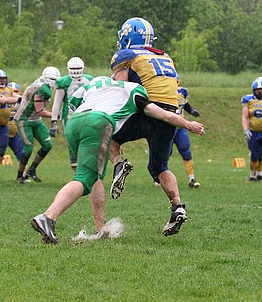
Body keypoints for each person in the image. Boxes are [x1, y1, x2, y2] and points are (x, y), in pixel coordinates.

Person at [31, 76, 205, 244]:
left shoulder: (92, 85)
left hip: (73, 123)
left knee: (93, 176)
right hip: (99, 122)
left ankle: (100, 227)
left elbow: (72, 104)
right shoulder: (133, 90)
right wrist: (189, 125)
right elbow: (166, 116)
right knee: (84, 179)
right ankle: (48, 217)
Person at [109, 17, 189, 236]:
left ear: (128, 37)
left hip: (147, 110)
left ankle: (119, 164)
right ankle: (177, 206)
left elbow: (121, 88)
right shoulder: (166, 57)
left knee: (108, 135)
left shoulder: (127, 55)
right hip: (170, 115)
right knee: (159, 167)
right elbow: (174, 84)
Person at [14, 66, 60, 184]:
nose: (54, 82)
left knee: (47, 145)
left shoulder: (42, 84)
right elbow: (40, 111)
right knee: (28, 149)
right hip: (25, 119)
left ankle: (32, 169)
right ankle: (20, 176)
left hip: (36, 119)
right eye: (52, 79)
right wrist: (55, 116)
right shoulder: (42, 88)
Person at [49, 56, 94, 173]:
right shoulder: (64, 82)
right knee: (72, 144)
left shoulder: (89, 80)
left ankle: (87, 170)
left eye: (78, 69)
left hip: (86, 115)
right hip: (70, 117)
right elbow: (57, 103)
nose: (76, 72)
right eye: (73, 69)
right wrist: (54, 121)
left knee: (87, 142)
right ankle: (77, 174)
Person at [171, 81, 202, 188]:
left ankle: (191, 179)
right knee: (165, 153)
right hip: (167, 128)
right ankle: (158, 177)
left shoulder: (182, 91)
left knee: (186, 150)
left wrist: (192, 111)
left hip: (180, 127)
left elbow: (185, 105)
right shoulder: (163, 91)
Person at [7, 81, 24, 162]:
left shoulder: (22, 104)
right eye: (12, 91)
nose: (14, 94)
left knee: (21, 154)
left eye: (16, 91)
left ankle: (23, 170)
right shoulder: (2, 101)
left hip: (14, 133)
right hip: (0, 131)